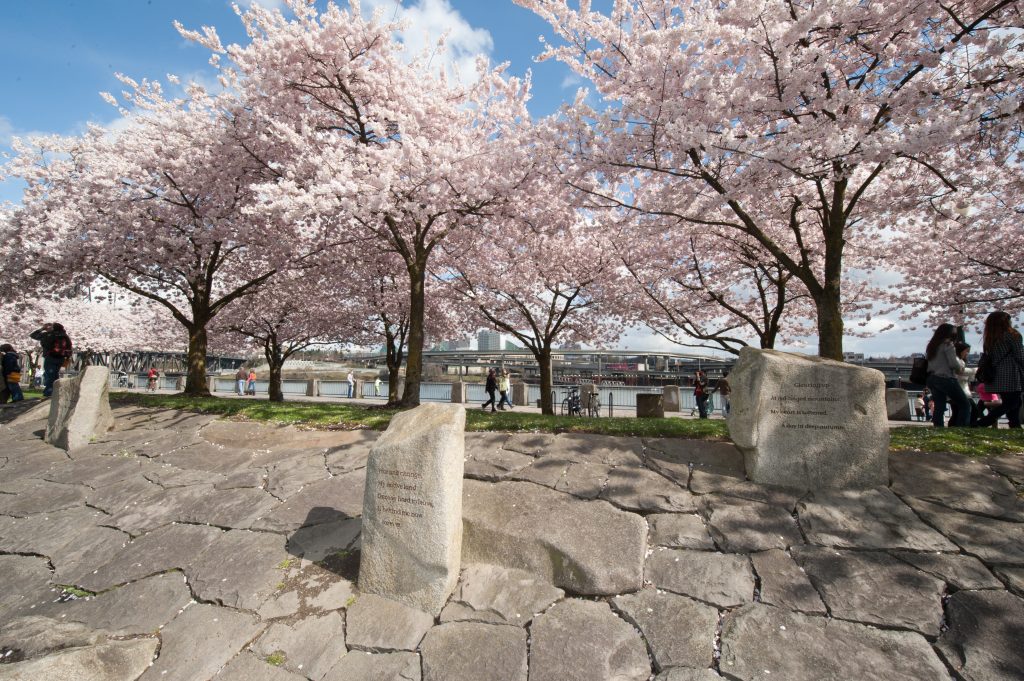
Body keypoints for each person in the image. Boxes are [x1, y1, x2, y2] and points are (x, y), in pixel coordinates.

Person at [975, 310, 1024, 428]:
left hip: (995, 373)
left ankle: (1015, 425)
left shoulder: (990, 338)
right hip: (1010, 372)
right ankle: (982, 423)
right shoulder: (1013, 335)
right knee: (1012, 402)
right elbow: (1020, 355)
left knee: (1013, 402)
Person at [924, 323, 971, 427]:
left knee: (939, 406)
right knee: (964, 404)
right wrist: (960, 367)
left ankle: (938, 426)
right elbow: (953, 363)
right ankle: (962, 426)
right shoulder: (948, 344)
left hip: (932, 378)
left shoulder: (932, 345)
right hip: (946, 378)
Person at [29, 322, 73, 398]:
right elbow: (69, 346)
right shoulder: (65, 336)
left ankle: (48, 392)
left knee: (49, 375)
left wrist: (42, 329)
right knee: (55, 374)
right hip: (61, 358)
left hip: (50, 356)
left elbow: (33, 335)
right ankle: (56, 391)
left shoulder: (48, 335)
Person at [951, 342, 977, 426]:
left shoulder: (957, 360)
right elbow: (960, 373)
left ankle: (955, 426)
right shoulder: (958, 361)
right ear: (961, 351)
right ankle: (966, 425)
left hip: (956, 390)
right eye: (967, 351)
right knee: (973, 409)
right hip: (962, 391)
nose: (967, 353)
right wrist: (974, 371)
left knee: (956, 411)